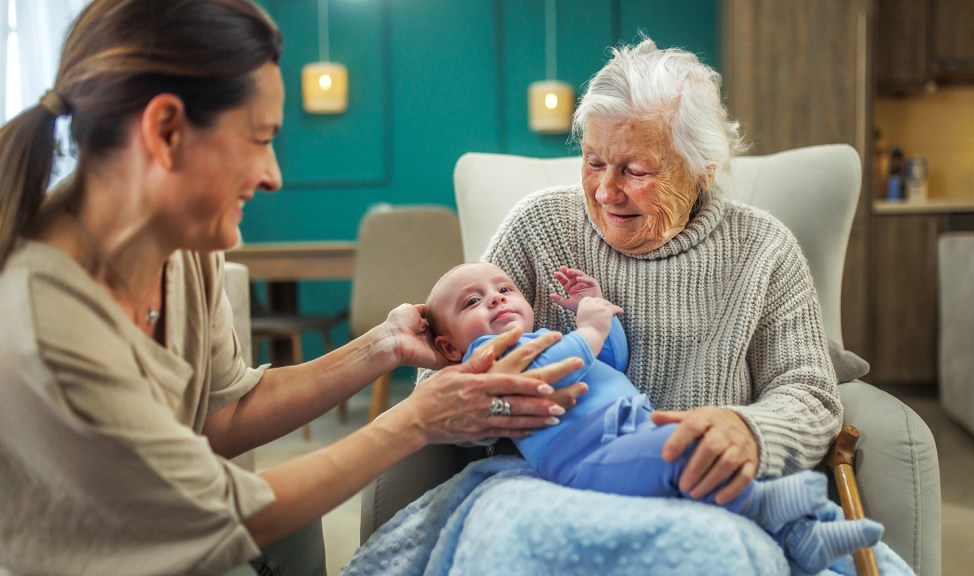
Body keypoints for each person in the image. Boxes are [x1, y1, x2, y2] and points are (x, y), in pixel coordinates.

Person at [0, 1, 585, 575]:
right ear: (167, 130)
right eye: (260, 138)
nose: (274, 175)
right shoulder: (40, 322)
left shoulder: (186, 248)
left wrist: (383, 346)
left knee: (301, 526)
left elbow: (222, 416)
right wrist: (417, 420)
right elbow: (212, 515)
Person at [485, 37, 844, 507]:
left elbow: (810, 393)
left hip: (701, 494)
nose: (606, 192)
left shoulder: (764, 249)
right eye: (594, 163)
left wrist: (749, 432)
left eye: (636, 170)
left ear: (704, 170)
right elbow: (448, 374)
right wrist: (497, 405)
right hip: (552, 489)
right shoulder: (537, 228)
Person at [425, 262, 882, 573]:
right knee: (680, 453)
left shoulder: (546, 334)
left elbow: (612, 359)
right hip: (590, 456)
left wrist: (598, 311)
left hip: (630, 427)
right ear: (448, 347)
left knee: (706, 448)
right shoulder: (484, 358)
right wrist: (589, 327)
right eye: (472, 302)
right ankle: (770, 510)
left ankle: (802, 533)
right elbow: (554, 368)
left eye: (505, 290)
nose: (496, 301)